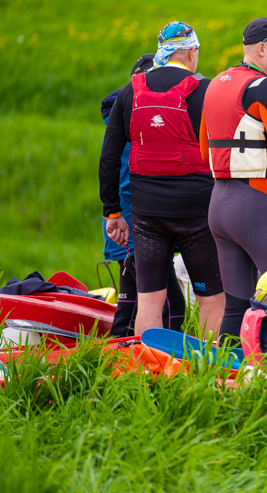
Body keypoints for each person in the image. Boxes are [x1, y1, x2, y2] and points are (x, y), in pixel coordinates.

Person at [100, 21, 225, 337]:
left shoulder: (131, 90)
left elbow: (109, 158)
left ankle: (148, 374)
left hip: (146, 216)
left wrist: (113, 213)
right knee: (211, 300)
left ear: (162, 51)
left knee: (149, 302)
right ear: (192, 52)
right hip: (197, 212)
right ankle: (210, 373)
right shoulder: (207, 90)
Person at [201, 17, 267, 343]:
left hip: (220, 204)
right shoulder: (263, 86)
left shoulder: (217, 81)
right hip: (257, 204)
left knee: (237, 304)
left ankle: (227, 376)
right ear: (261, 49)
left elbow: (204, 147)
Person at [101, 53, 188, 337]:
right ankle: (156, 366)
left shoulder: (128, 117)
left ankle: (119, 365)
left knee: (131, 303)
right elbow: (126, 185)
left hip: (132, 230)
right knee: (171, 306)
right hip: (134, 232)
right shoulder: (135, 124)